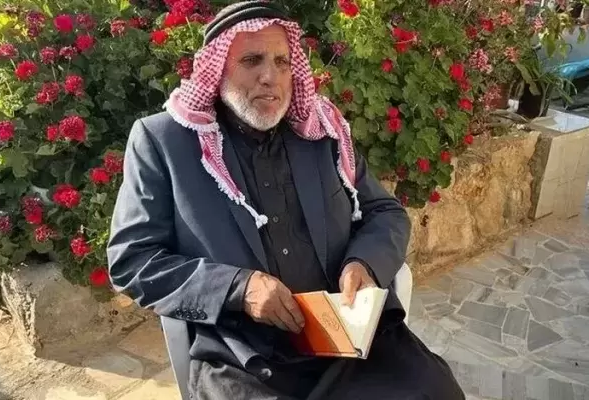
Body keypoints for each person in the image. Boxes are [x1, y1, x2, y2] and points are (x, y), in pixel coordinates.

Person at [106, 1, 465, 399]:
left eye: (282, 62)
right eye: (252, 61)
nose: (270, 77)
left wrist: (363, 264)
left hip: (346, 338)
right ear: (218, 68)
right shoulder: (164, 142)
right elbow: (132, 260)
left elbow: (384, 212)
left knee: (436, 390)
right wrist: (238, 288)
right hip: (245, 353)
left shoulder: (321, 132)